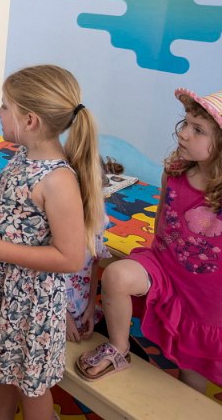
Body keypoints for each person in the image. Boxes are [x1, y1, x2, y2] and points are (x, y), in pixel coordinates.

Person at [0, 65, 104, 420]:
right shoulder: (25, 155)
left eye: (4, 106)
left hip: (30, 305)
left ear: (30, 121)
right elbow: (21, 212)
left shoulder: (58, 180)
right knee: (5, 372)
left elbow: (70, 257)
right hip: (7, 293)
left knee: (31, 388)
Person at [77, 88, 222, 392]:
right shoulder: (175, 173)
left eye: (197, 130)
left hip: (207, 297)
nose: (183, 134)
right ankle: (119, 348)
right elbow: (160, 225)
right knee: (116, 275)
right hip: (164, 267)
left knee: (191, 380)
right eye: (185, 124)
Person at [66, 218, 110, 342]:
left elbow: (93, 265)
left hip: (82, 310)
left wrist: (90, 307)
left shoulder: (98, 219)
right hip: (49, 309)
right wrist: (61, 316)